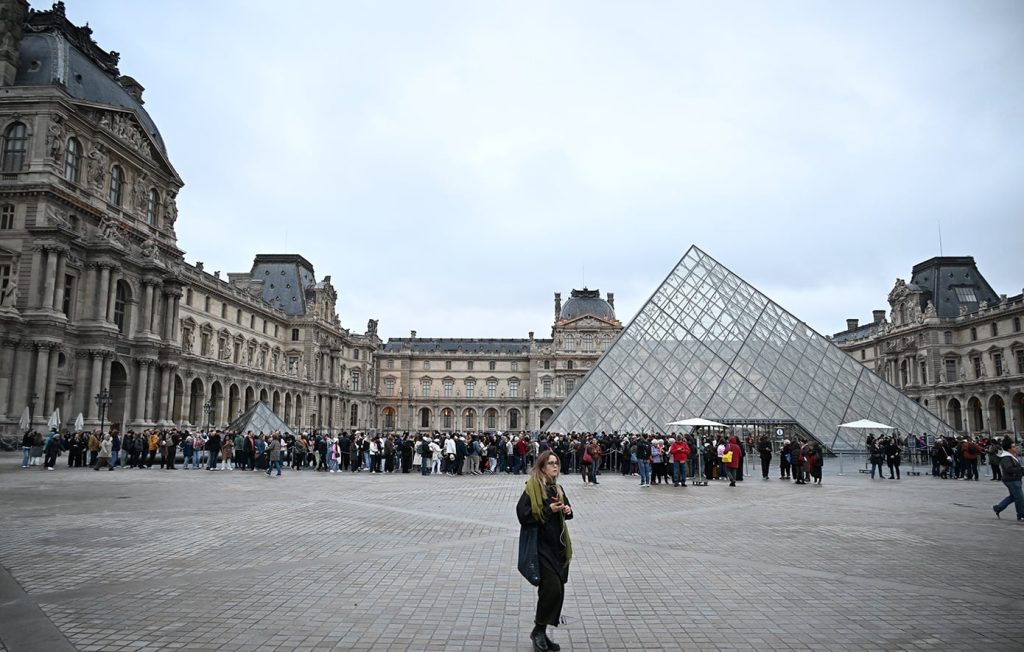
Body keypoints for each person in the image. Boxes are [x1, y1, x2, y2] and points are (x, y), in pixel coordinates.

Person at [516, 450, 573, 652]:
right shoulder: (532, 488)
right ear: (542, 466)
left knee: (557, 591)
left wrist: (567, 510)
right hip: (539, 547)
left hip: (557, 547)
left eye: (556, 463)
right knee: (552, 589)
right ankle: (539, 630)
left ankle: (540, 631)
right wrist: (550, 510)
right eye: (550, 463)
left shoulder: (557, 487)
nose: (555, 466)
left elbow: (568, 513)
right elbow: (523, 516)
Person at [992, 438, 1023, 521]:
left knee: (1014, 497)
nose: (1015, 448)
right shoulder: (1006, 457)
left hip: (1014, 478)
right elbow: (1008, 469)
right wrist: (1020, 469)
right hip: (1011, 480)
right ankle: (1021, 514)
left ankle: (998, 508)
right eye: (1013, 447)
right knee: (1020, 497)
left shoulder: (1011, 456)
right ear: (1009, 449)